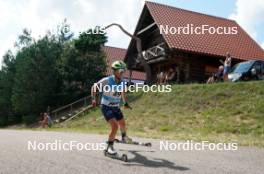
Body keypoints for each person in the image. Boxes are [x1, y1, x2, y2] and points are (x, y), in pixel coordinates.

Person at [91, 60, 132, 155]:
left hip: (116, 107)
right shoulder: (107, 80)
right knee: (115, 126)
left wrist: (125, 103)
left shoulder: (123, 81)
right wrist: (93, 99)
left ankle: (124, 137)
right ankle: (109, 147)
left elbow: (122, 93)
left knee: (122, 123)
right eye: (121, 71)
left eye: (124, 71)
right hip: (106, 107)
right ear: (115, 71)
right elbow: (94, 88)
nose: (123, 73)